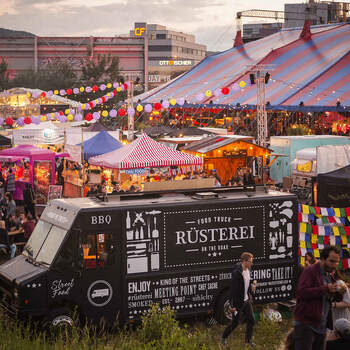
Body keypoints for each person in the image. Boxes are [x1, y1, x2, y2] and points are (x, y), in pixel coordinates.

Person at [293, 245, 341, 350]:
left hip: (321, 326)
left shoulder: (329, 275)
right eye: (332, 261)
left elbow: (328, 297)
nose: (335, 265)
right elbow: (301, 292)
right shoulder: (310, 271)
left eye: (337, 262)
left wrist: (339, 292)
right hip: (306, 324)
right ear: (323, 259)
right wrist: (325, 288)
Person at [221, 252, 256, 347]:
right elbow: (232, 290)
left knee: (251, 320)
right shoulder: (237, 273)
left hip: (246, 300)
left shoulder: (248, 270)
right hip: (238, 303)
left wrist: (251, 288)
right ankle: (223, 338)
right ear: (244, 261)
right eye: (250, 262)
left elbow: (247, 283)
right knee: (235, 323)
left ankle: (248, 341)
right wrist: (232, 306)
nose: (251, 264)